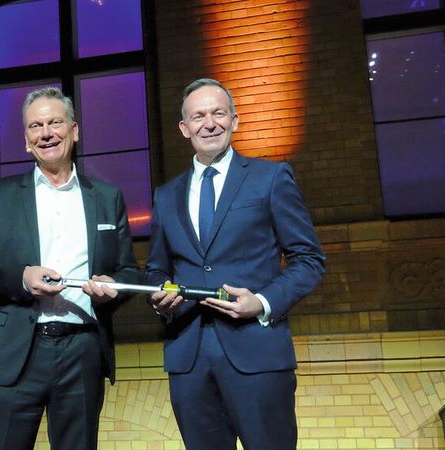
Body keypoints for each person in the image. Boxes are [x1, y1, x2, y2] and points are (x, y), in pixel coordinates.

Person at [145, 78, 325, 450]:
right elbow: (158, 269)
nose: (209, 123)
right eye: (198, 116)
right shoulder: (165, 196)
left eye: (218, 113)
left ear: (235, 120)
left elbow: (308, 260)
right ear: (184, 128)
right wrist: (158, 296)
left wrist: (262, 302)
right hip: (188, 359)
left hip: (257, 352)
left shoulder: (271, 178)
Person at [0, 86, 142, 450]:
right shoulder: (0, 195)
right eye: (35, 126)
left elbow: (129, 272)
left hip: (83, 349)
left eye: (55, 122)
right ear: (27, 141)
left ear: (74, 131)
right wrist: (22, 279)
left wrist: (112, 289)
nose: (46, 133)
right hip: (18, 353)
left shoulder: (107, 197)